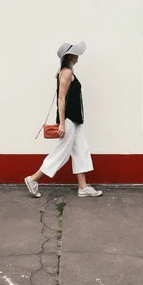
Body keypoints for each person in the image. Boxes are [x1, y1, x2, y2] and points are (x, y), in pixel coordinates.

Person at [25, 41, 102, 198]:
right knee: (62, 152)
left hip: (75, 119)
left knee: (81, 149)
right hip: (68, 120)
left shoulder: (66, 72)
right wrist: (61, 123)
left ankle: (83, 187)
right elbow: (61, 98)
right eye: (75, 53)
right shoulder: (66, 73)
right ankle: (33, 179)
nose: (78, 56)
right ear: (70, 56)